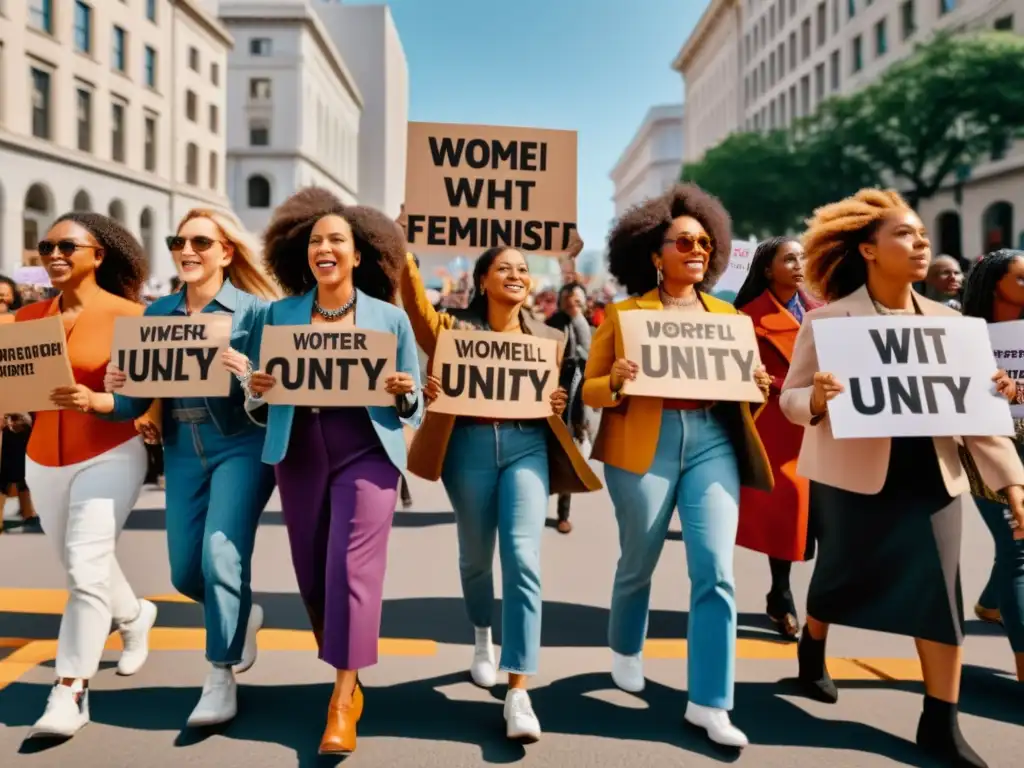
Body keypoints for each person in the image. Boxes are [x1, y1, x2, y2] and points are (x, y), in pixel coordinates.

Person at [781, 189, 1024, 768]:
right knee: (839, 575)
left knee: (941, 595)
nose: (921, 243)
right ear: (867, 250)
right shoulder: (827, 320)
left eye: (922, 234)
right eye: (906, 235)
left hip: (932, 479)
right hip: (853, 478)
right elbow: (791, 398)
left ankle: (939, 721)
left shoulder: (955, 324)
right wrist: (814, 399)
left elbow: (979, 416)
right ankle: (813, 641)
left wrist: (1013, 483)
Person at [72, 208, 280, 727]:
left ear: (226, 252)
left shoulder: (257, 314)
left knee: (219, 556)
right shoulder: (156, 313)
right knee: (186, 572)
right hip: (180, 449)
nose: (187, 251)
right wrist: (114, 389)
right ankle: (240, 615)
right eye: (178, 241)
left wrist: (248, 374)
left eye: (201, 243)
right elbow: (130, 404)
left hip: (241, 445)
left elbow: (274, 399)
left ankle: (220, 673)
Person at [582, 183, 773, 748]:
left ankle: (711, 702)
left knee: (715, 570)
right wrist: (613, 381)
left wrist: (756, 386)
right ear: (654, 253)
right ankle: (625, 647)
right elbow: (588, 393)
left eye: (705, 243)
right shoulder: (622, 314)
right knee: (637, 558)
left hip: (713, 441)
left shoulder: (729, 316)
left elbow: (744, 391)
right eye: (684, 241)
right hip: (645, 441)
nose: (698, 250)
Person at [400, 229, 602, 743]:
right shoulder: (450, 330)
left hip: (526, 449)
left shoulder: (550, 339)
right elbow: (415, 305)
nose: (516, 275)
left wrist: (557, 404)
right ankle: (482, 635)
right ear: (482, 281)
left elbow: (559, 397)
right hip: (466, 448)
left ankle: (519, 689)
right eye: (504, 269)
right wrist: (404, 249)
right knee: (474, 558)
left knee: (523, 557)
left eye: (522, 269)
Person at [243, 188, 422, 756]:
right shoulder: (278, 314)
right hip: (298, 451)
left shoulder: (390, 320)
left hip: (365, 450)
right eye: (317, 240)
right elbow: (256, 392)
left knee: (352, 570)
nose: (325, 247)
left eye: (336, 240)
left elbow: (413, 400)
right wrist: (257, 389)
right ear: (306, 254)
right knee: (313, 573)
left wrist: (403, 392)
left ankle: (343, 698)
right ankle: (345, 655)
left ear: (358, 255)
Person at [15, 213, 160, 739]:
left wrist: (108, 399)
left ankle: (70, 690)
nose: (54, 254)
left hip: (110, 453)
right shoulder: (25, 318)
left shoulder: (133, 316)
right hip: (42, 460)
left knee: (82, 567)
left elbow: (147, 392)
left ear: (98, 255)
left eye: (67, 246)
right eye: (46, 245)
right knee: (85, 566)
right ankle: (136, 614)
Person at [733, 236, 823, 639]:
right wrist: (759, 382)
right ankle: (781, 593)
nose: (799, 263)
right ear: (768, 269)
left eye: (802, 257)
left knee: (825, 521)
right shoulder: (745, 318)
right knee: (787, 513)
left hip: (824, 424)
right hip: (777, 427)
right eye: (790, 258)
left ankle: (816, 606)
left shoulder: (824, 313)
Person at [959, 248, 1024, 682]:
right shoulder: (958, 337)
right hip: (990, 447)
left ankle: (990, 603)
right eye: (1021, 278)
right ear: (992, 283)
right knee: (1019, 548)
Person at [545, 279, 594, 534]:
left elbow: (593, 358)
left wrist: (579, 320)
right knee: (544, 456)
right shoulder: (550, 324)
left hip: (578, 401)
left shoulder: (589, 326)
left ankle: (563, 513)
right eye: (567, 299)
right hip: (553, 396)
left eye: (577, 301)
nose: (572, 305)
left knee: (569, 456)